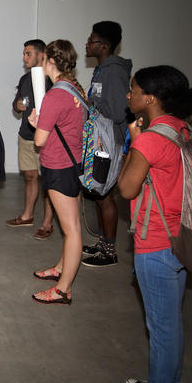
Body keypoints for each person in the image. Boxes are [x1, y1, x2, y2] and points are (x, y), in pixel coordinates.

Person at [114, 66, 192, 383]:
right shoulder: (181, 128)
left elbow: (126, 188)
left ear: (149, 98)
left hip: (155, 242)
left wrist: (135, 144)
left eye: (133, 90)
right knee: (172, 322)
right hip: (181, 237)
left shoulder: (150, 138)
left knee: (161, 328)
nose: (128, 95)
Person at [29, 40, 87, 304]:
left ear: (49, 61)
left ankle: (63, 289)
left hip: (59, 166)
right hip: (73, 164)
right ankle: (61, 268)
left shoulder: (54, 95)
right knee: (70, 224)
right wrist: (42, 122)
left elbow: (40, 140)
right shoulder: (74, 89)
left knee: (71, 228)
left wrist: (37, 123)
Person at [82, 21, 132, 267]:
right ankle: (102, 242)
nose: (87, 44)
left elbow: (119, 111)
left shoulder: (114, 72)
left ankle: (109, 251)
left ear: (105, 45)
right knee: (99, 193)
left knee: (104, 196)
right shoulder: (102, 69)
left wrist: (92, 103)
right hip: (100, 140)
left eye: (91, 41)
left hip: (110, 142)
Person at [6, 39, 55, 239]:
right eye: (24, 53)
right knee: (30, 177)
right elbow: (16, 105)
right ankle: (27, 216)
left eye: (28, 53)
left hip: (47, 138)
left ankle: (47, 223)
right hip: (26, 136)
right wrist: (17, 106)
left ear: (41, 55)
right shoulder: (26, 79)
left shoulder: (52, 79)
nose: (24, 57)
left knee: (49, 182)